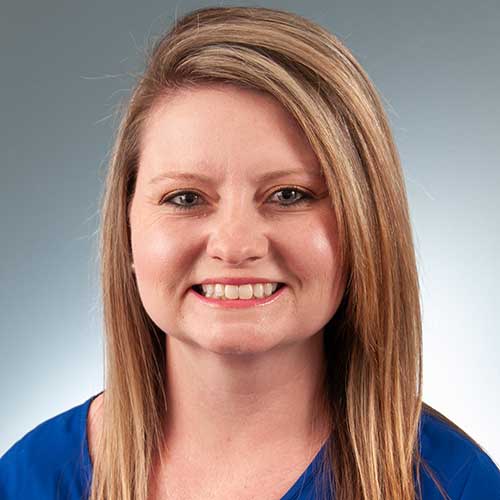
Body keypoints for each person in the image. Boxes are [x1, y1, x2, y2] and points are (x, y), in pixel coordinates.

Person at [1, 6, 499, 500]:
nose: (235, 246)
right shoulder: (29, 481)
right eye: (186, 198)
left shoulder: (456, 485)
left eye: (289, 195)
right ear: (127, 230)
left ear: (364, 228)